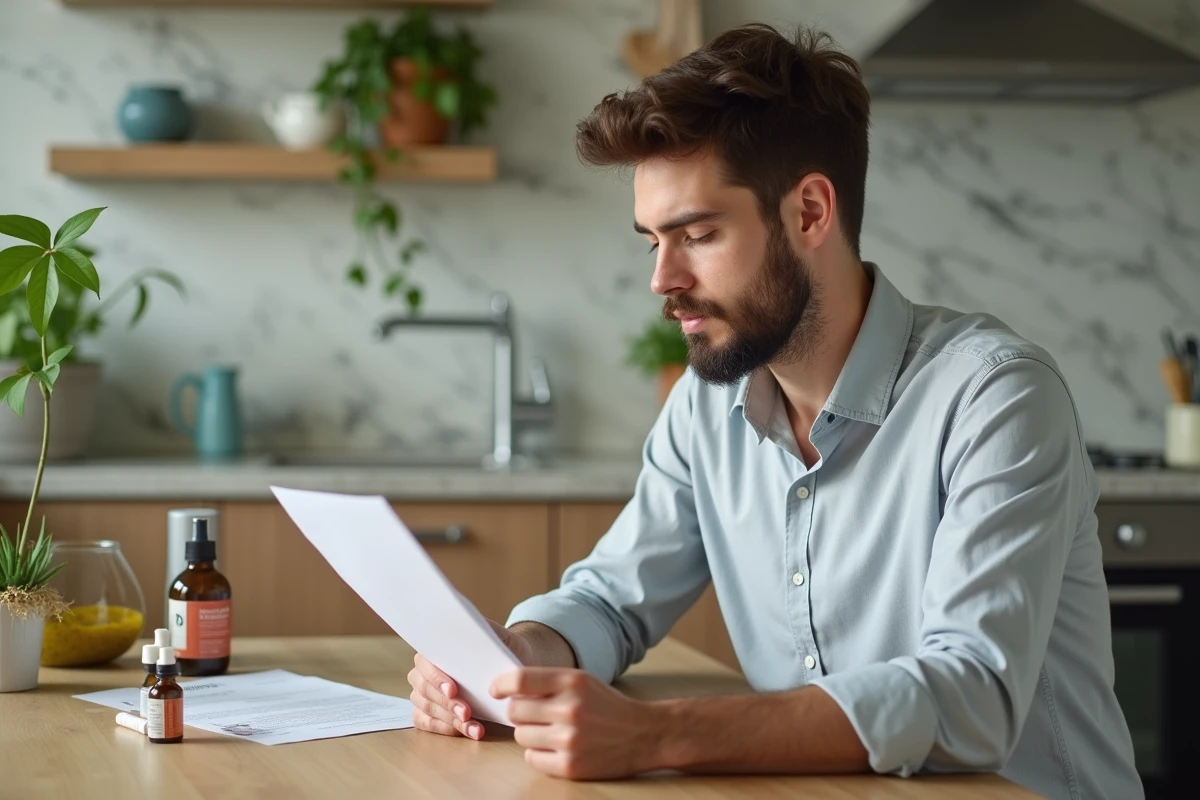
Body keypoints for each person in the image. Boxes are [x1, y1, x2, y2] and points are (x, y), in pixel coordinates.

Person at [407, 23, 1142, 800]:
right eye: (653, 241)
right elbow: (609, 601)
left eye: (697, 234)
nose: (662, 278)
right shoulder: (706, 407)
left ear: (811, 212)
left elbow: (972, 695)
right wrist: (514, 658)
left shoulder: (996, 397)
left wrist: (658, 734)